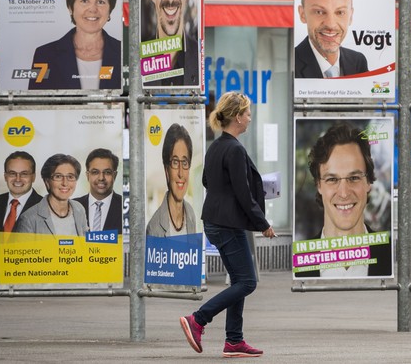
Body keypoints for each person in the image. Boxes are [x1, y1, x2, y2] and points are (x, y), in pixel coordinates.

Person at [180, 91, 275, 358]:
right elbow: (243, 193)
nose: (249, 117)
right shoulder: (234, 149)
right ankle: (198, 319)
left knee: (239, 280)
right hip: (226, 224)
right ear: (236, 117)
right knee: (247, 282)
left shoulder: (216, 146)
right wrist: (263, 223)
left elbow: (208, 183)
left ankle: (234, 341)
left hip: (215, 220)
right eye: (246, 113)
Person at [296, 122, 392, 278]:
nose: (344, 192)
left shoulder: (391, 257)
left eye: (354, 178)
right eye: (332, 179)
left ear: (368, 182)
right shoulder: (299, 261)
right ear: (319, 185)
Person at [28, 0, 121, 90]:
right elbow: (36, 104)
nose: (92, 9)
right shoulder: (45, 55)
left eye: (101, 1)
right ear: (71, 7)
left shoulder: (124, 54)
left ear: (110, 9)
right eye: (84, 1)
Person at [294, 0, 368, 79]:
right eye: (319, 12)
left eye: (340, 12)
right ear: (302, 14)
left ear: (350, 16)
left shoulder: (358, 63)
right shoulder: (290, 65)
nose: (331, 24)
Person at [13, 154, 88, 236]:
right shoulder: (28, 218)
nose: (65, 183)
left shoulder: (79, 209)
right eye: (58, 176)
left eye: (70, 177)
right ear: (47, 181)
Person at [147, 124, 197, 237]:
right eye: (175, 162)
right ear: (166, 170)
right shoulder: (154, 227)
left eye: (184, 163)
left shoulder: (191, 215)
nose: (180, 173)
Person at [74, 148, 123, 233]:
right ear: (87, 175)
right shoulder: (72, 207)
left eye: (107, 172)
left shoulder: (126, 208)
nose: (101, 178)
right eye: (95, 172)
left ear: (114, 175)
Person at [0, 151, 43, 233]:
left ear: (33, 177)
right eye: (12, 173)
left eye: (24, 174)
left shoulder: (44, 206)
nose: (18, 179)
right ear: (5, 177)